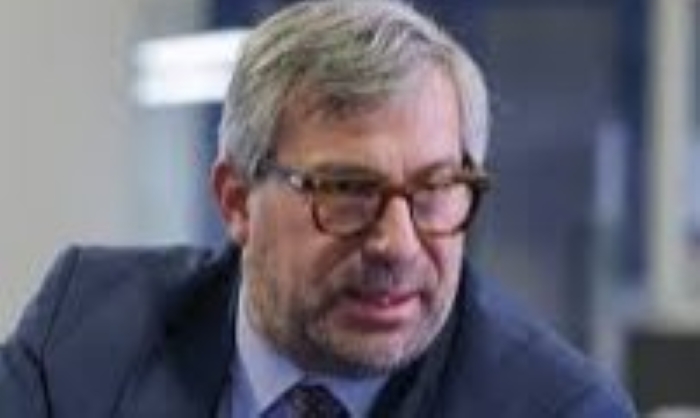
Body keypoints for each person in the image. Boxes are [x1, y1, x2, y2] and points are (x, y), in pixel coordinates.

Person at [0, 1, 636, 417]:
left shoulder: (560, 408)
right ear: (236, 199)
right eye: (347, 190)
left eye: (435, 188)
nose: (398, 244)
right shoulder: (86, 324)